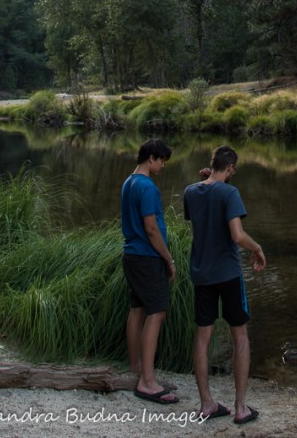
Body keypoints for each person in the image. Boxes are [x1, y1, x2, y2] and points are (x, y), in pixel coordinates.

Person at [183, 144, 266, 425]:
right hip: (228, 274)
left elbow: (203, 208)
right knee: (240, 336)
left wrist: (207, 180)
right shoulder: (230, 193)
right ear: (230, 169)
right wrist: (257, 248)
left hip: (201, 274)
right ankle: (241, 408)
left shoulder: (190, 191)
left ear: (212, 163)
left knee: (202, 337)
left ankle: (207, 403)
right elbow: (236, 235)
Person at [121, 137, 179, 405]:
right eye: (162, 160)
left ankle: (136, 369)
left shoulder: (128, 182)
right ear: (152, 158)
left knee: (137, 309)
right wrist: (168, 259)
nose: (163, 165)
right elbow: (152, 228)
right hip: (147, 257)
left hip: (132, 255)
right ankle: (147, 382)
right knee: (157, 312)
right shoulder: (147, 187)